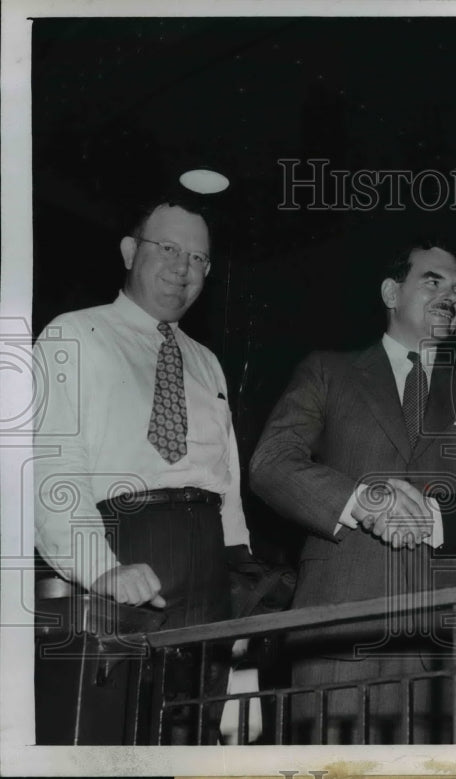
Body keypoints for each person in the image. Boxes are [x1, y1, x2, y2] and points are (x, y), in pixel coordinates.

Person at [249, 240, 456, 744]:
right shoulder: (327, 371)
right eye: (433, 281)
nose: (451, 297)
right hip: (338, 631)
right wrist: (362, 500)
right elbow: (270, 462)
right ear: (391, 292)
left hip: (439, 642)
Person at [33, 195, 251, 742]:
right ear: (130, 251)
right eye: (169, 248)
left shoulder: (207, 361)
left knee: (194, 737)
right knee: (118, 737)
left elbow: (226, 480)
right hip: (125, 551)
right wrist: (100, 568)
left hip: (209, 566)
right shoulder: (72, 335)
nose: (183, 268)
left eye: (198, 258)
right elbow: (50, 467)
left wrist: (240, 577)